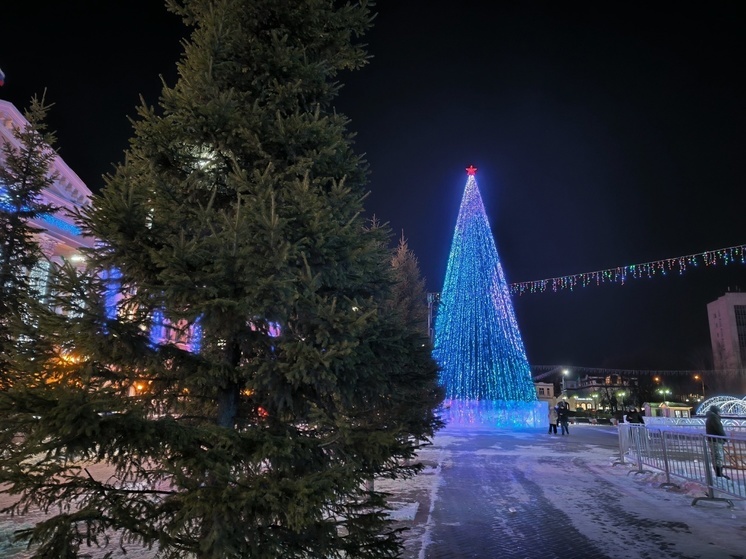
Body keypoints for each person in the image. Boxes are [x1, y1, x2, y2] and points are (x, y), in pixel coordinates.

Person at [705, 404, 730, 479]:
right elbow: (719, 429)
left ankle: (719, 474)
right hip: (716, 440)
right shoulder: (714, 417)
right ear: (716, 412)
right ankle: (719, 474)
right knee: (718, 457)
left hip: (712, 440)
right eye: (719, 412)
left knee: (715, 456)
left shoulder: (710, 417)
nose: (720, 413)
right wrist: (725, 438)